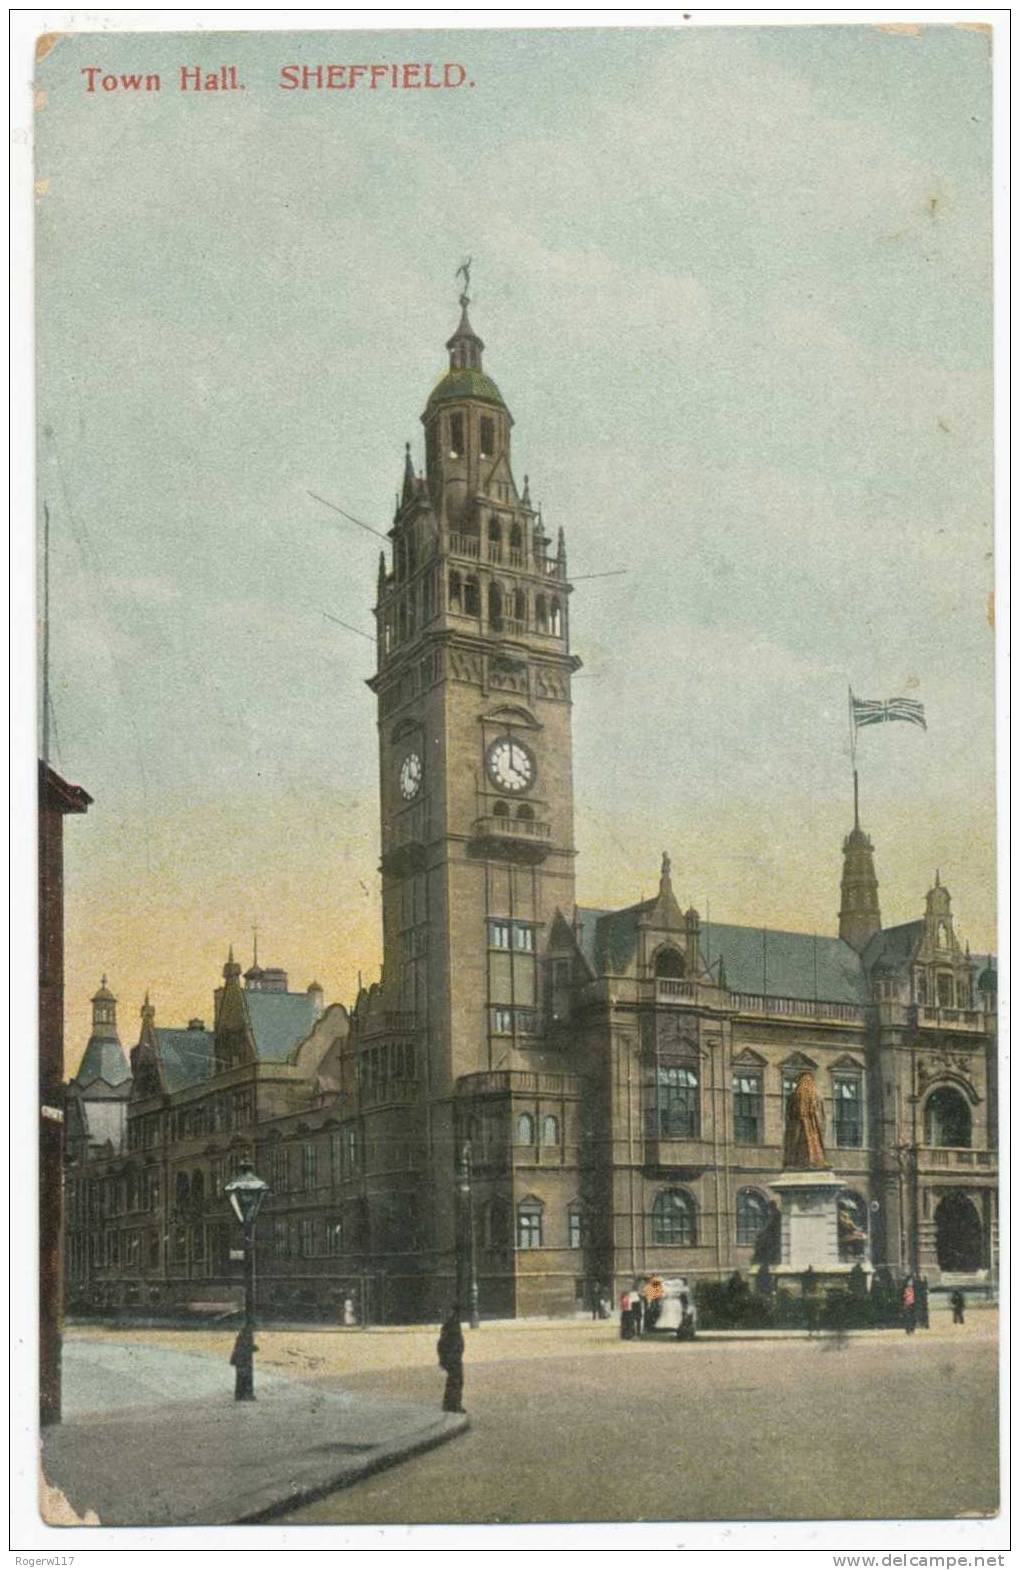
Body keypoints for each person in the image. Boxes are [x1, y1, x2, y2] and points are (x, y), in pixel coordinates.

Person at [437, 1308, 466, 1413]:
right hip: (453, 1358)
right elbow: (443, 1344)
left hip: (454, 1357)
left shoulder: (450, 1325)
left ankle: (450, 1403)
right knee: (455, 1381)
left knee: (454, 1381)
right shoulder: (451, 1326)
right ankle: (453, 1404)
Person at [229, 1324, 257, 1401]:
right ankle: (246, 1395)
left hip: (240, 1359)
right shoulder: (247, 1335)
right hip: (244, 1359)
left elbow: (241, 1346)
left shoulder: (242, 1335)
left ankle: (239, 1395)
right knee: (246, 1377)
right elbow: (246, 1347)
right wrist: (253, 1348)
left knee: (240, 1378)